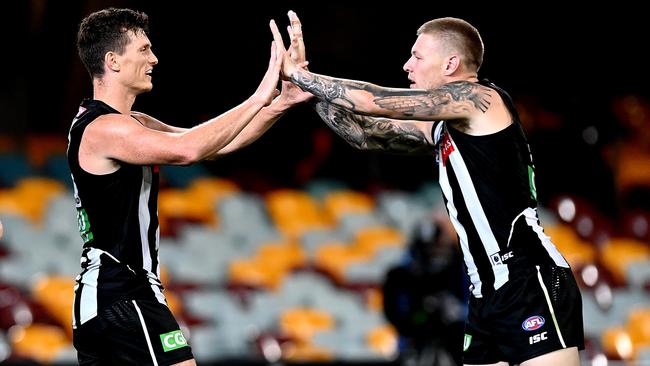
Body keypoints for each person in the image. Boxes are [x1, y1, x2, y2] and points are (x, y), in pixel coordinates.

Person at [270, 14, 584, 366]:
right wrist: (308, 94)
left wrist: (300, 72)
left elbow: (374, 100)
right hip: (486, 292)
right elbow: (363, 133)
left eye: (417, 56)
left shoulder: (478, 98)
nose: (407, 66)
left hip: (529, 279)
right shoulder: (441, 123)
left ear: (451, 63)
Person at [69, 8, 310, 365]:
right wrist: (262, 92)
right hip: (122, 292)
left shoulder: (130, 123)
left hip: (110, 298)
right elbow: (188, 149)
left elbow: (216, 146)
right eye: (144, 49)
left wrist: (281, 103)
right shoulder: (105, 129)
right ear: (113, 61)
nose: (154, 58)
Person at [383, 218, 466, 366]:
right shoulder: (401, 275)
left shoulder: (458, 270)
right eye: (431, 249)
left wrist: (455, 312)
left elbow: (472, 306)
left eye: (439, 247)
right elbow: (396, 313)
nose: (437, 254)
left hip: (454, 339)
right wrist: (423, 314)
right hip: (415, 340)